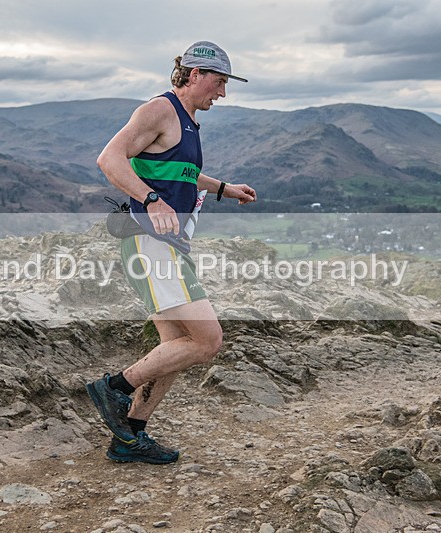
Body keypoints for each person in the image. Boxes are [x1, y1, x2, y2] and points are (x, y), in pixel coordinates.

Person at [88, 41, 257, 464]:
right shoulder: (159, 110)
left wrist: (223, 188)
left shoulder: (187, 121)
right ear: (195, 74)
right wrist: (151, 200)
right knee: (207, 341)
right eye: (219, 82)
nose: (222, 93)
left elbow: (180, 171)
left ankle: (130, 436)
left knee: (175, 345)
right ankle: (114, 388)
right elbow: (109, 159)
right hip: (150, 243)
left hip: (165, 246)